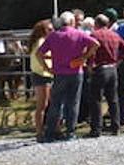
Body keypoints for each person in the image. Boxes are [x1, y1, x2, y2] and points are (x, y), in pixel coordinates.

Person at [38, 12, 98, 143]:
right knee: (73, 103)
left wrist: (47, 68)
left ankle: (50, 132)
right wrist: (84, 57)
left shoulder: (54, 36)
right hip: (76, 72)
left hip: (59, 73)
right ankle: (70, 132)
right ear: (72, 22)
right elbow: (95, 44)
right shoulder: (79, 34)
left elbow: (39, 53)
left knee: (55, 103)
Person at [87, 15, 124, 137]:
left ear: (96, 23)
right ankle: (115, 126)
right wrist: (118, 60)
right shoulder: (115, 35)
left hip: (100, 69)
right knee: (113, 99)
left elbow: (91, 52)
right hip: (112, 69)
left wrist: (90, 66)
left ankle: (96, 128)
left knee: (96, 99)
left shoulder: (94, 35)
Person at [29, 19, 55, 134]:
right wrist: (47, 68)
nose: (52, 31)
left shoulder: (40, 41)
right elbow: (40, 56)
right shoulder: (41, 42)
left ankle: (47, 129)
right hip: (42, 75)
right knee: (42, 105)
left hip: (44, 74)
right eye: (49, 29)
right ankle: (39, 132)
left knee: (49, 104)